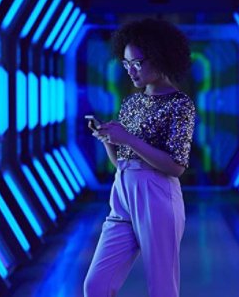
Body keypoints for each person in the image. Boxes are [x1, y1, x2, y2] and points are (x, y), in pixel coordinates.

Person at [84, 18, 196, 297]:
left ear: (160, 57)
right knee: (96, 285)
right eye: (126, 64)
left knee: (162, 288)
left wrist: (129, 139)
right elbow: (121, 161)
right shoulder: (131, 102)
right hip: (122, 190)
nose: (131, 71)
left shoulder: (180, 105)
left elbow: (176, 166)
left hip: (158, 195)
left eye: (137, 63)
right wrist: (109, 139)